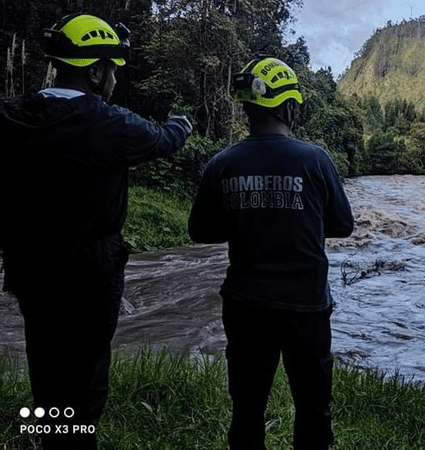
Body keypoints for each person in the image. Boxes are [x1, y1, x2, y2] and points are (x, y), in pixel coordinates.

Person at [0, 13, 192, 450]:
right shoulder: (107, 123)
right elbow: (162, 139)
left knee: (45, 367)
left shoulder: (11, 116)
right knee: (86, 380)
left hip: (30, 268)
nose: (113, 80)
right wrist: (182, 124)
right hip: (90, 273)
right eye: (111, 70)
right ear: (94, 70)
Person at [188, 57, 354, 450]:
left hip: (245, 305)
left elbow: (200, 231)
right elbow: (343, 225)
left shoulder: (221, 164)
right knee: (314, 408)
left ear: (247, 107)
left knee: (246, 407)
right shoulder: (315, 160)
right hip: (306, 307)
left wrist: (247, 216)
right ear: (287, 106)